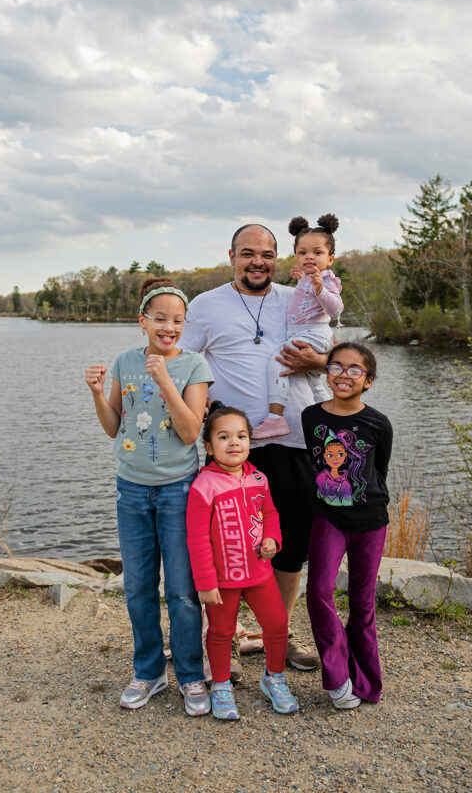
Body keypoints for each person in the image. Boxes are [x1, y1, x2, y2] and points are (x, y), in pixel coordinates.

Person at [180, 223, 327, 671]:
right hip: (233, 450)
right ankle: (220, 639)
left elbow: (333, 356)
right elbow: (183, 364)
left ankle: (273, 633)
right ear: (231, 256)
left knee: (288, 546)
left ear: (277, 258)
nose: (257, 261)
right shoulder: (205, 306)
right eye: (248, 253)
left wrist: (316, 361)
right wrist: (203, 409)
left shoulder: (300, 296)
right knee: (223, 547)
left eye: (266, 254)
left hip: (297, 441)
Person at [85, 278, 212, 716]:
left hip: (179, 490)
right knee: (139, 587)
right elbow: (112, 427)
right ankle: (149, 671)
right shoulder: (124, 360)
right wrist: (98, 394)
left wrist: (165, 380)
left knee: (181, 591)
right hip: (131, 490)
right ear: (143, 322)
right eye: (160, 319)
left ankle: (192, 676)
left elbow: (192, 431)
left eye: (177, 320)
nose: (169, 326)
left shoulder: (194, 365)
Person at [186, 405, 299, 720]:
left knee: (276, 625)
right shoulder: (203, 486)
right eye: (224, 437)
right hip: (222, 579)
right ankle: (221, 684)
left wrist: (273, 540)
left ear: (250, 441)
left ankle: (273, 677)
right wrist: (206, 583)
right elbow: (196, 539)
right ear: (209, 447)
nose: (234, 443)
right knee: (221, 632)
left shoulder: (259, 478)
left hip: (259, 573)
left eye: (241, 436)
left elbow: (271, 514)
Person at [301, 342, 393, 709]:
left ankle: (367, 682)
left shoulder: (378, 423)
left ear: (367, 380)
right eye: (336, 367)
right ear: (327, 373)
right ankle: (338, 677)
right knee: (319, 592)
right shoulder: (311, 417)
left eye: (355, 369)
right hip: (328, 518)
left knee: (362, 604)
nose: (344, 374)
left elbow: (379, 473)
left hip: (370, 521)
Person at [252, 214, 343, 440]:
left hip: (314, 333)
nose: (309, 257)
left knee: (277, 361)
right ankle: (332, 419)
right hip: (305, 333)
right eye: (302, 253)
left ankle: (275, 417)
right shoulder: (308, 278)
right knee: (313, 382)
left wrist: (321, 289)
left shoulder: (326, 279)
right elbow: (305, 302)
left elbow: (336, 310)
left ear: (330, 258)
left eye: (317, 253)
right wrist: (302, 280)